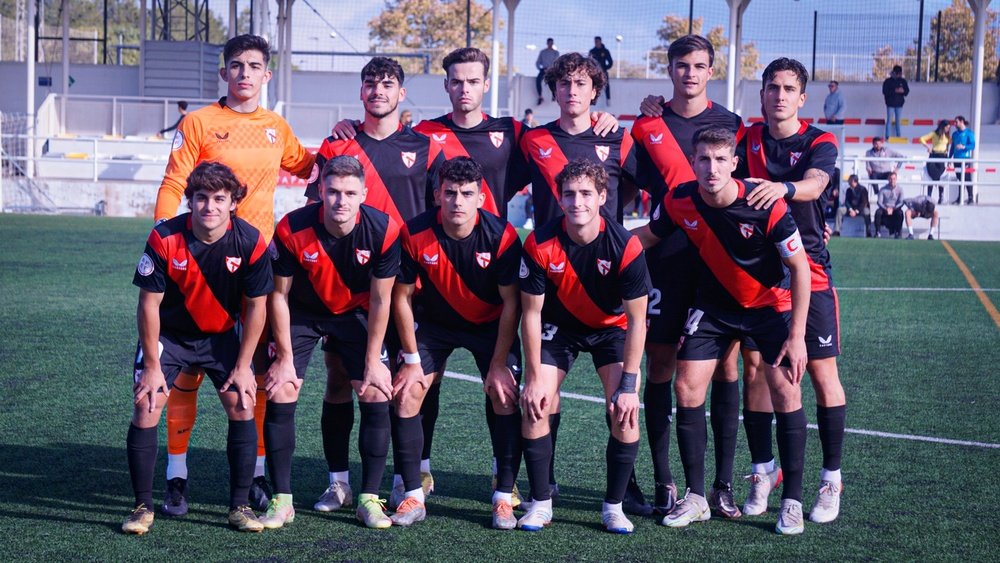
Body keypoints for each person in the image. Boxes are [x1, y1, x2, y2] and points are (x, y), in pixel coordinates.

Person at [327, 48, 618, 504]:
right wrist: (349, 128)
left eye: (472, 81)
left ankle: (510, 482)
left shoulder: (513, 133)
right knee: (421, 380)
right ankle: (417, 473)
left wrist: (600, 117)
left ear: (487, 85)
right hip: (434, 274)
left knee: (504, 386)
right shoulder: (422, 135)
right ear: (446, 86)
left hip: (496, 271)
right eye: (456, 81)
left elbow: (563, 142)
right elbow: (381, 147)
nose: (464, 89)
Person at [152, 34, 316, 517]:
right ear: (223, 73)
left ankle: (258, 473)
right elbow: (174, 182)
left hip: (255, 271)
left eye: (254, 66)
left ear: (267, 75)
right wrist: (162, 240)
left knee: (255, 376)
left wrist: (343, 135)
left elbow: (309, 166)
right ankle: (176, 476)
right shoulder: (199, 122)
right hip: (199, 268)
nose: (245, 73)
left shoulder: (275, 126)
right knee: (185, 377)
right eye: (236, 65)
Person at [634, 126, 810, 534]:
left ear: (734, 164)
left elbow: (799, 268)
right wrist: (595, 248)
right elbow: (644, 237)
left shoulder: (765, 204)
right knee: (686, 387)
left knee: (785, 390)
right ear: (693, 162)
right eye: (703, 160)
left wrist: (797, 335)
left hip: (768, 308)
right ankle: (697, 497)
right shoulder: (679, 200)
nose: (711, 169)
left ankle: (792, 501)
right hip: (713, 308)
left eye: (719, 161)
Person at [305, 57, 444, 516]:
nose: (378, 91)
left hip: (406, 285)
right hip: (345, 287)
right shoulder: (338, 143)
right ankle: (340, 483)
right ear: (360, 92)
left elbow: (437, 210)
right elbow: (316, 213)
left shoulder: (424, 146)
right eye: (370, 83)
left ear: (401, 94)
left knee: (410, 381)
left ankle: (411, 474)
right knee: (340, 381)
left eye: (387, 84)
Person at [519, 51, 649, 513]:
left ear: (595, 91)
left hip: (606, 285)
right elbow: (496, 179)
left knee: (622, 401)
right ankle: (543, 484)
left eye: (581, 84)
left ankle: (625, 488)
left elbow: (641, 184)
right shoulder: (533, 139)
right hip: (551, 282)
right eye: (564, 84)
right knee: (540, 398)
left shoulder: (617, 137)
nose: (572, 91)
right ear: (554, 90)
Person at [631, 33, 747, 518]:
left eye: (700, 65)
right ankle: (664, 482)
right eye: (682, 65)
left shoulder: (732, 124)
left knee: (724, 367)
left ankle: (720, 486)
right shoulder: (648, 123)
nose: (691, 73)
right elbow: (624, 186)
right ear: (670, 69)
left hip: (720, 266)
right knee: (660, 367)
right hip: (665, 262)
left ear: (710, 70)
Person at [123, 162, 273, 535]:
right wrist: (154, 366)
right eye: (201, 198)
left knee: (242, 401)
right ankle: (142, 507)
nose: (210, 207)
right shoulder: (164, 238)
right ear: (189, 201)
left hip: (221, 336)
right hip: (170, 336)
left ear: (234, 203)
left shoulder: (251, 242)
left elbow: (257, 307)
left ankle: (239, 507)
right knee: (147, 402)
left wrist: (243, 366)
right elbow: (148, 305)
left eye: (220, 199)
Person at [737, 57, 846, 529]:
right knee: (756, 369)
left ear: (802, 97)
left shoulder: (818, 140)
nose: (779, 95)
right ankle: (763, 473)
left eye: (788, 89)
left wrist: (781, 187)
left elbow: (817, 184)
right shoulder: (745, 138)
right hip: (760, 272)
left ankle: (831, 478)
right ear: (761, 94)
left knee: (820, 374)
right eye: (771, 87)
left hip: (810, 270)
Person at [266, 156, 399, 529]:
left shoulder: (384, 230)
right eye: (334, 192)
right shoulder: (293, 227)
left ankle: (368, 499)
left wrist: (374, 360)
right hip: (304, 312)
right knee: (282, 388)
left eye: (350, 193)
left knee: (374, 390)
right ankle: (285, 499)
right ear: (320, 191)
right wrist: (286, 358)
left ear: (364, 194)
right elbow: (279, 296)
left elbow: (381, 300)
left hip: (355, 313)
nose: (341, 200)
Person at [393, 157, 524, 529]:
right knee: (406, 391)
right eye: (449, 193)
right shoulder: (415, 233)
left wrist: (499, 364)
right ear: (437, 195)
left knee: (504, 393)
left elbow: (511, 303)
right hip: (435, 325)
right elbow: (401, 298)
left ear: (481, 198)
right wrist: (413, 359)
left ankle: (503, 497)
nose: (457, 201)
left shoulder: (502, 236)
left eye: (467, 194)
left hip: (489, 326)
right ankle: (412, 496)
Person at [919, 120, 951, 204]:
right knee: (931, 175)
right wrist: (927, 146)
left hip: (943, 156)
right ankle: (929, 196)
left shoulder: (947, 135)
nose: (948, 129)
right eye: (947, 127)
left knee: (941, 176)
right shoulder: (934, 133)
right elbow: (922, 139)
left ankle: (941, 196)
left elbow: (950, 144)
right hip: (934, 155)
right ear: (942, 126)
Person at [950, 115, 976, 205]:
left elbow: (973, 145)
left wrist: (964, 147)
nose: (955, 124)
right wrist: (950, 158)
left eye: (956, 122)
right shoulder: (955, 134)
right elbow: (952, 147)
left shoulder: (969, 133)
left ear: (961, 122)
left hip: (965, 158)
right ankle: (960, 198)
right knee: (959, 178)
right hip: (956, 159)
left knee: (967, 178)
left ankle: (970, 197)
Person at [874, 171, 904, 238]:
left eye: (894, 179)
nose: (892, 181)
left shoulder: (900, 189)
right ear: (888, 179)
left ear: (896, 179)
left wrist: (893, 209)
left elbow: (901, 202)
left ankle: (898, 233)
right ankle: (878, 232)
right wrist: (886, 209)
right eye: (890, 179)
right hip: (885, 209)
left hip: (895, 209)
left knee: (900, 213)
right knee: (878, 212)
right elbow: (879, 202)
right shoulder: (883, 189)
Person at [881, 65, 909, 138]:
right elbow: (884, 91)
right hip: (890, 104)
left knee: (898, 121)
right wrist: (895, 90)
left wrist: (902, 91)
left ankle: (898, 136)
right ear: (894, 73)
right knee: (889, 120)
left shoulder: (903, 81)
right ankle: (887, 136)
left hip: (899, 104)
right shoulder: (888, 81)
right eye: (898, 73)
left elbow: (907, 91)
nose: (899, 75)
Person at [589, 36, 614, 104]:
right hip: (594, 72)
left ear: (600, 41)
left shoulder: (605, 51)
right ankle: (592, 100)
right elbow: (589, 62)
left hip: (603, 71)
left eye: (597, 41)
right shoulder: (592, 51)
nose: (596, 43)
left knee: (606, 85)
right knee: (593, 85)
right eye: (595, 42)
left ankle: (608, 99)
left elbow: (610, 62)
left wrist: (605, 68)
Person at [535, 38, 560, 105]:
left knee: (554, 80)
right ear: (547, 43)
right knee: (538, 80)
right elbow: (538, 62)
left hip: (552, 70)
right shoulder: (543, 52)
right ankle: (540, 96)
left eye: (551, 43)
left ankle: (554, 95)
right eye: (549, 43)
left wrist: (550, 68)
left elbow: (556, 63)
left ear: (552, 44)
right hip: (544, 70)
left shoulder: (556, 53)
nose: (550, 44)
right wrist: (540, 69)